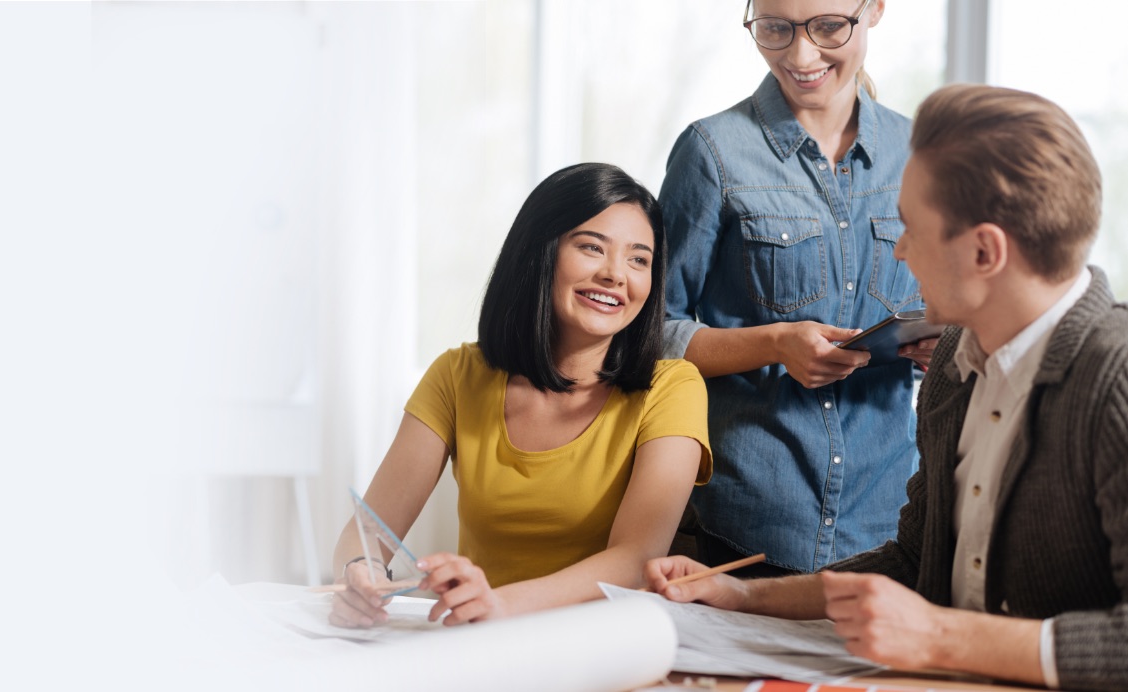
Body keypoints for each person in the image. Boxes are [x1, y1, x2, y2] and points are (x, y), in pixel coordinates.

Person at [648, 84, 1128, 690]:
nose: (899, 250)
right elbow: (911, 561)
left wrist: (939, 635)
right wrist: (740, 594)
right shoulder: (954, 362)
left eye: (911, 229)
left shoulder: (1117, 379)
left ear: (985, 251)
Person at [328, 163, 712, 629]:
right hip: (482, 642)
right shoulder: (457, 375)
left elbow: (636, 561)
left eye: (638, 259)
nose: (616, 275)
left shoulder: (674, 387)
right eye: (592, 247)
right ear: (540, 252)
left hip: (606, 644)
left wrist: (501, 603)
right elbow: (368, 534)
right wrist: (361, 575)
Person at [659, 0, 929, 577]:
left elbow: (960, 308)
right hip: (744, 527)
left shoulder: (921, 155)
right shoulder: (712, 153)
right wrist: (777, 343)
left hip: (889, 529)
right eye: (775, 29)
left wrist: (941, 347)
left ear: (874, 9)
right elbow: (649, 335)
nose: (800, 55)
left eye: (829, 26)